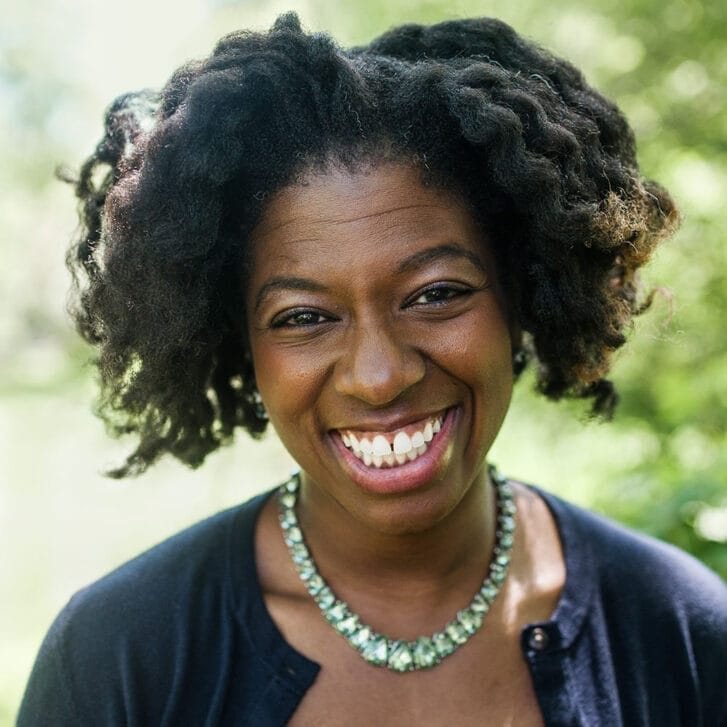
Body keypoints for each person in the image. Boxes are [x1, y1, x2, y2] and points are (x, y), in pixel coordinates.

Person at [18, 12, 726, 726]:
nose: (378, 375)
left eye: (436, 295)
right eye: (302, 317)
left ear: (521, 294)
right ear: (241, 344)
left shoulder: (680, 632)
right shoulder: (120, 657)